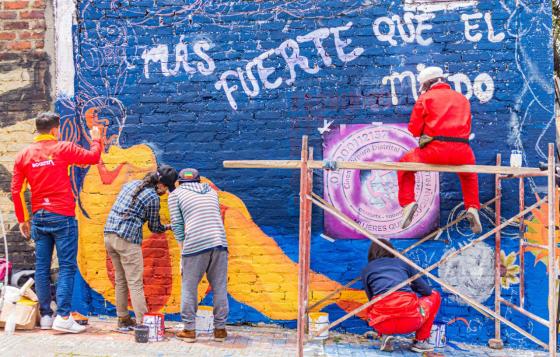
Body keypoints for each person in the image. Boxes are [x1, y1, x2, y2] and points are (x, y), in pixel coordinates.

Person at [11, 112, 102, 333]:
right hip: (63, 216)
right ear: (54, 130)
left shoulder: (24, 155)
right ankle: (63, 315)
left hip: (40, 217)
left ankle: (46, 316)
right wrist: (97, 137)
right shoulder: (63, 148)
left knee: (41, 268)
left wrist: (23, 219)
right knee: (67, 266)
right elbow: (92, 157)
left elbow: (16, 190)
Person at [399, 66, 482, 234]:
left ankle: (408, 203)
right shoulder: (463, 99)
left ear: (427, 84)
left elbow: (414, 130)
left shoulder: (425, 98)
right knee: (469, 174)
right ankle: (472, 207)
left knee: (404, 164)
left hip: (435, 151)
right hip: (463, 152)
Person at [103, 165, 178, 329]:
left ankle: (123, 319)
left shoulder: (132, 184)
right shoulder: (152, 198)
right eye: (166, 187)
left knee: (121, 280)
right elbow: (155, 227)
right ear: (161, 184)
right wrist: (170, 227)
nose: (165, 192)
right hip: (127, 240)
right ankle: (145, 325)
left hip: (109, 235)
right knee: (135, 283)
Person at [168, 168, 229, 343]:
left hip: (195, 244)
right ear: (198, 180)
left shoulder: (176, 195)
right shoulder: (211, 191)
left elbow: (178, 226)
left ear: (179, 182)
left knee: (189, 287)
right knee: (220, 287)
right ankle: (220, 330)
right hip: (219, 241)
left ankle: (189, 330)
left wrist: (182, 252)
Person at [361, 239, 441, 353]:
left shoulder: (367, 270)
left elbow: (371, 299)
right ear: (391, 250)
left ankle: (384, 336)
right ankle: (421, 341)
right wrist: (409, 287)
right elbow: (427, 291)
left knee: (376, 303)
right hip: (411, 321)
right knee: (435, 295)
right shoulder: (403, 263)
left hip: (382, 323)